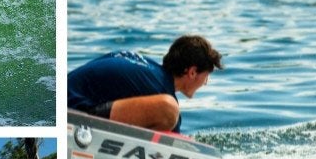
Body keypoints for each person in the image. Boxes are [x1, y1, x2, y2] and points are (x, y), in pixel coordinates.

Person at [67, 34, 222, 132]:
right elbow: (175, 143)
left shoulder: (147, 68)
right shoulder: (161, 91)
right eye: (206, 75)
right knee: (169, 110)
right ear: (192, 72)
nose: (206, 83)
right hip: (71, 115)